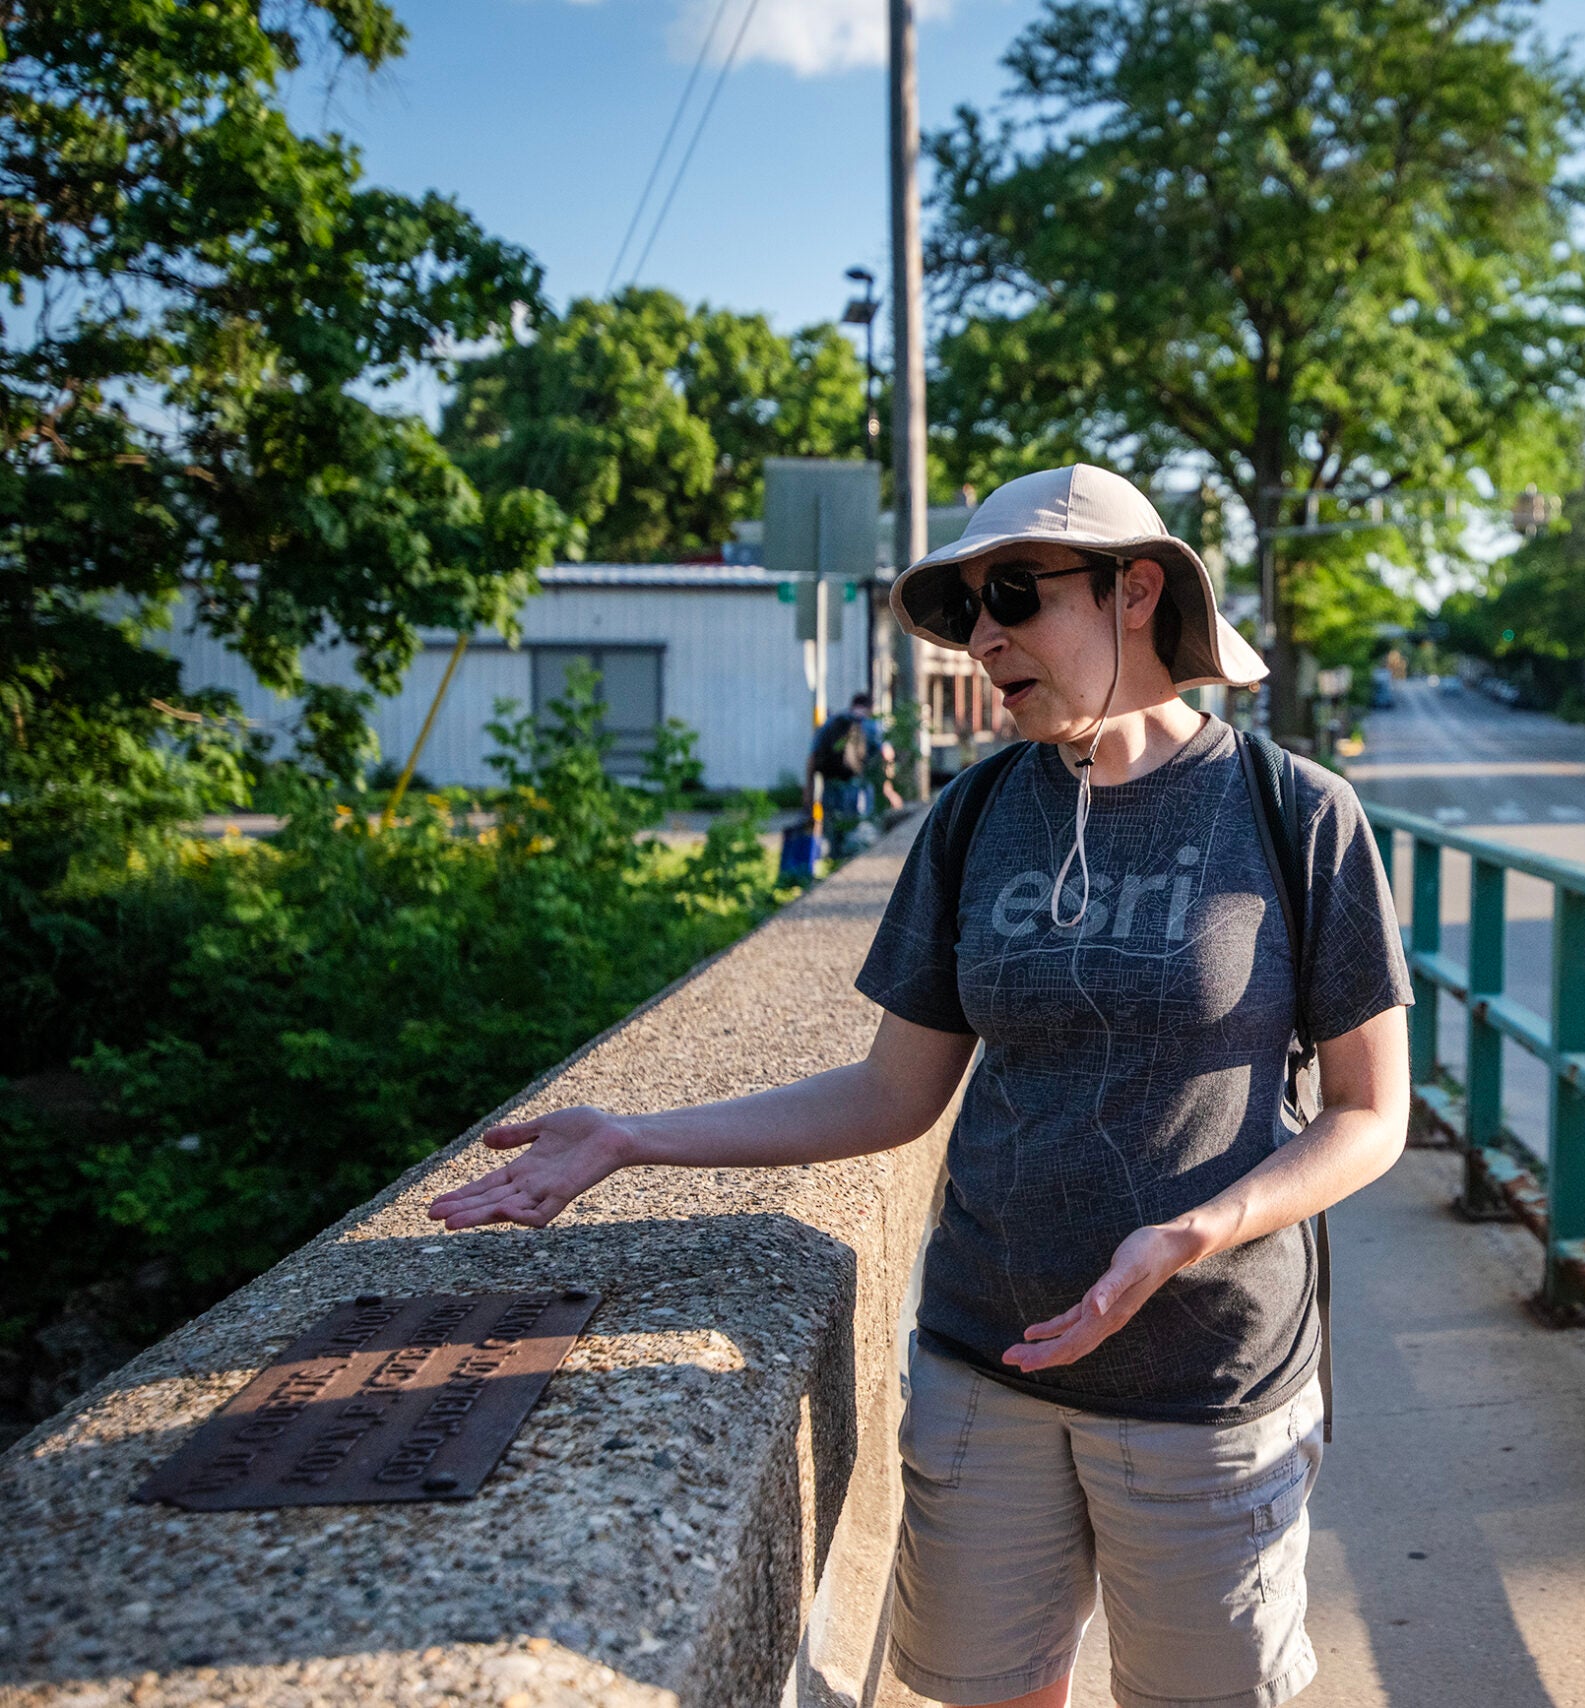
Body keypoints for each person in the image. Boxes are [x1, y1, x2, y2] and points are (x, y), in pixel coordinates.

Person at [428, 462, 1413, 1708]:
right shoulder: (974, 816)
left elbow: (1372, 1114)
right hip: (983, 1361)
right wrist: (631, 1135)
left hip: (1205, 1380)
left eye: (1011, 593)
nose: (983, 634)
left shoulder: (1292, 813)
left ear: (1135, 591)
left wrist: (1197, 1229)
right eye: (962, 611)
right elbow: (892, 1095)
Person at [804, 689, 898, 860]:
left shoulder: (830, 724)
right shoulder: (870, 725)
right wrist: (888, 788)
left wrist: (809, 796)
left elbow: (811, 760)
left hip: (830, 790)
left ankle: (833, 868)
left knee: (834, 841)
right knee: (857, 839)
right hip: (856, 791)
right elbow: (887, 755)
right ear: (870, 708)